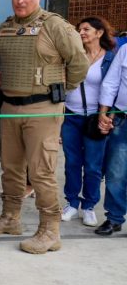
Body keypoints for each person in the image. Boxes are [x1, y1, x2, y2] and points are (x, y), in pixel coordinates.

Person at [0, 0, 87, 254]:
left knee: (41, 172)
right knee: (11, 168)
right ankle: (10, 218)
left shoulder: (54, 26)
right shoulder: (5, 28)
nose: (20, 1)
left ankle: (50, 230)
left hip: (43, 108)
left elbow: (79, 63)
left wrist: (62, 90)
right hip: (10, 107)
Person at [60, 17, 115, 228]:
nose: (81, 32)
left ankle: (89, 206)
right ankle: (72, 202)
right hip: (71, 116)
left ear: (99, 33)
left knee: (93, 165)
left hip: (95, 118)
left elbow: (114, 88)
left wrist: (108, 116)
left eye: (86, 29)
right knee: (72, 162)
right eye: (79, 29)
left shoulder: (110, 58)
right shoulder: (73, 55)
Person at [97, 41, 127, 236]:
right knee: (116, 171)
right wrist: (104, 112)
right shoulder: (125, 50)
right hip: (123, 118)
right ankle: (114, 218)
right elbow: (111, 82)